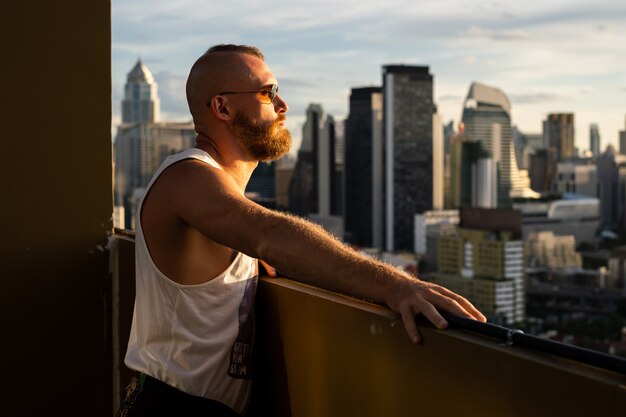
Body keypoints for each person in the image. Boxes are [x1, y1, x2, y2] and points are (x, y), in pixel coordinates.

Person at [117, 44, 486, 417]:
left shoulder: (216, 201)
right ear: (222, 108)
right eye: (269, 92)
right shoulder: (187, 176)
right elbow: (270, 233)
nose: (283, 106)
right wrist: (396, 286)